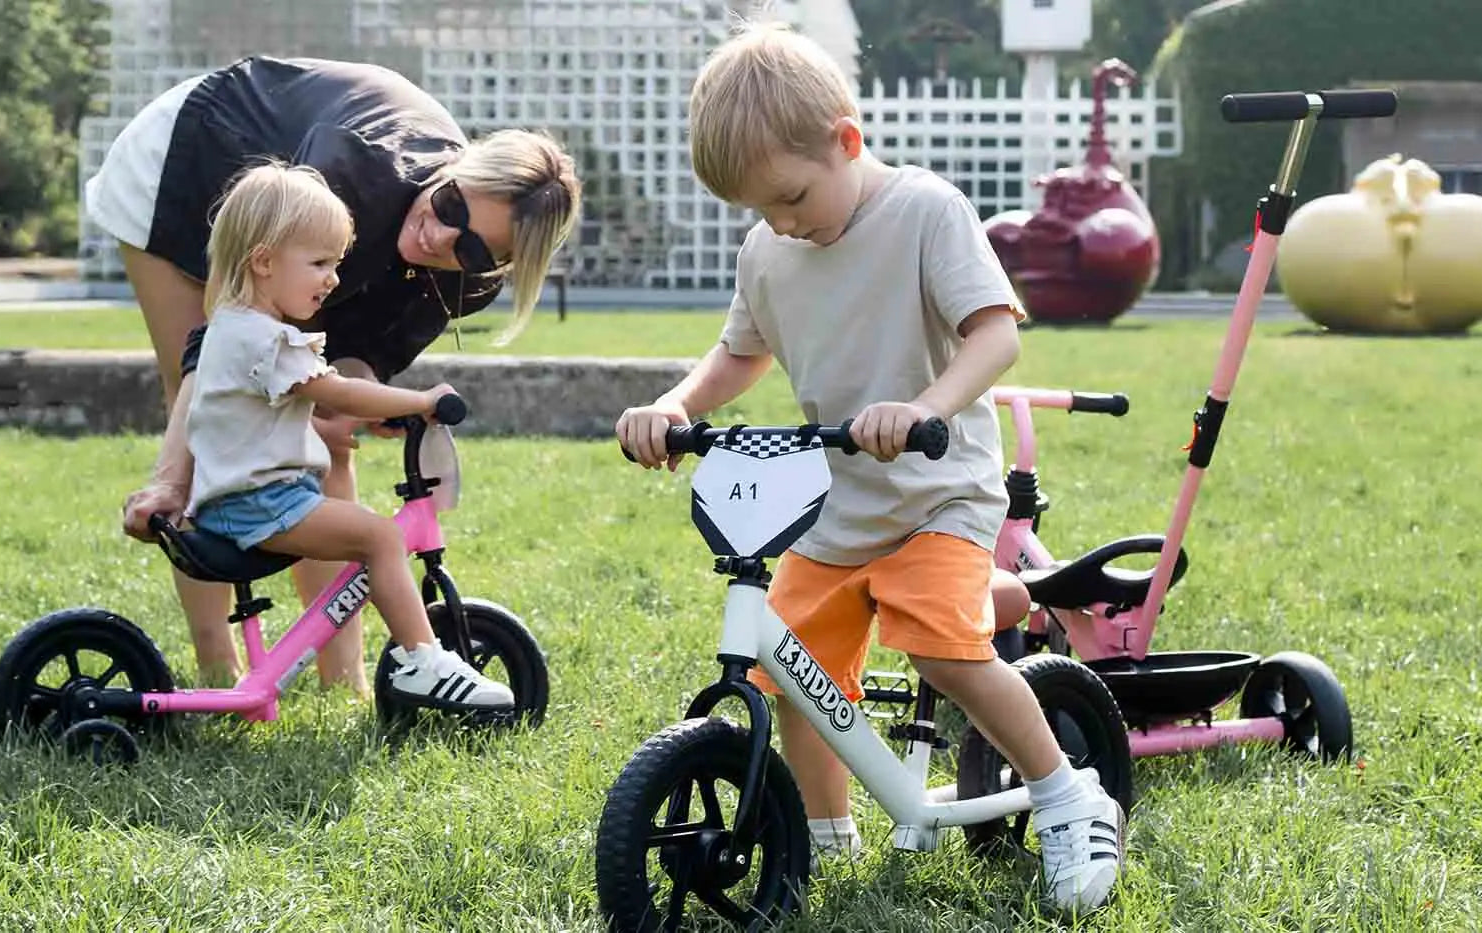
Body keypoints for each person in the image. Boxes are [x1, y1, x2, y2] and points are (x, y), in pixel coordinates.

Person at [615, 22, 1125, 912]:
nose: (782, 222)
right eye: (759, 210)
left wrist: (924, 408)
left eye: (792, 196)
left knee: (939, 644)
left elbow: (994, 333)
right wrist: (677, 406)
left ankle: (1063, 792)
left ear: (846, 142)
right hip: (837, 499)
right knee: (794, 668)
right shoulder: (771, 249)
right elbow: (740, 352)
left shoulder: (923, 211)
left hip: (938, 490)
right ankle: (824, 832)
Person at [87, 55, 581, 689]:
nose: (442, 236)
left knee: (329, 438)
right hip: (189, 154)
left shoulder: (462, 281)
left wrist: (358, 404)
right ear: (452, 171)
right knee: (210, 415)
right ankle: (217, 672)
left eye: (475, 248)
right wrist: (166, 479)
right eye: (450, 202)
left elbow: (351, 367)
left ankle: (337, 681)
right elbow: (214, 360)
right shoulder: (353, 168)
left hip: (290, 219)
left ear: (498, 266)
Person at [184, 160, 513, 711]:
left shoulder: (237, 326)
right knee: (382, 538)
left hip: (242, 498)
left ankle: (389, 661)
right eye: (318, 263)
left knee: (366, 534)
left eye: (336, 263)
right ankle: (423, 661)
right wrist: (421, 400)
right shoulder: (266, 339)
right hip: (258, 502)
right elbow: (339, 393)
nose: (334, 279)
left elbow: (296, 407)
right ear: (263, 261)